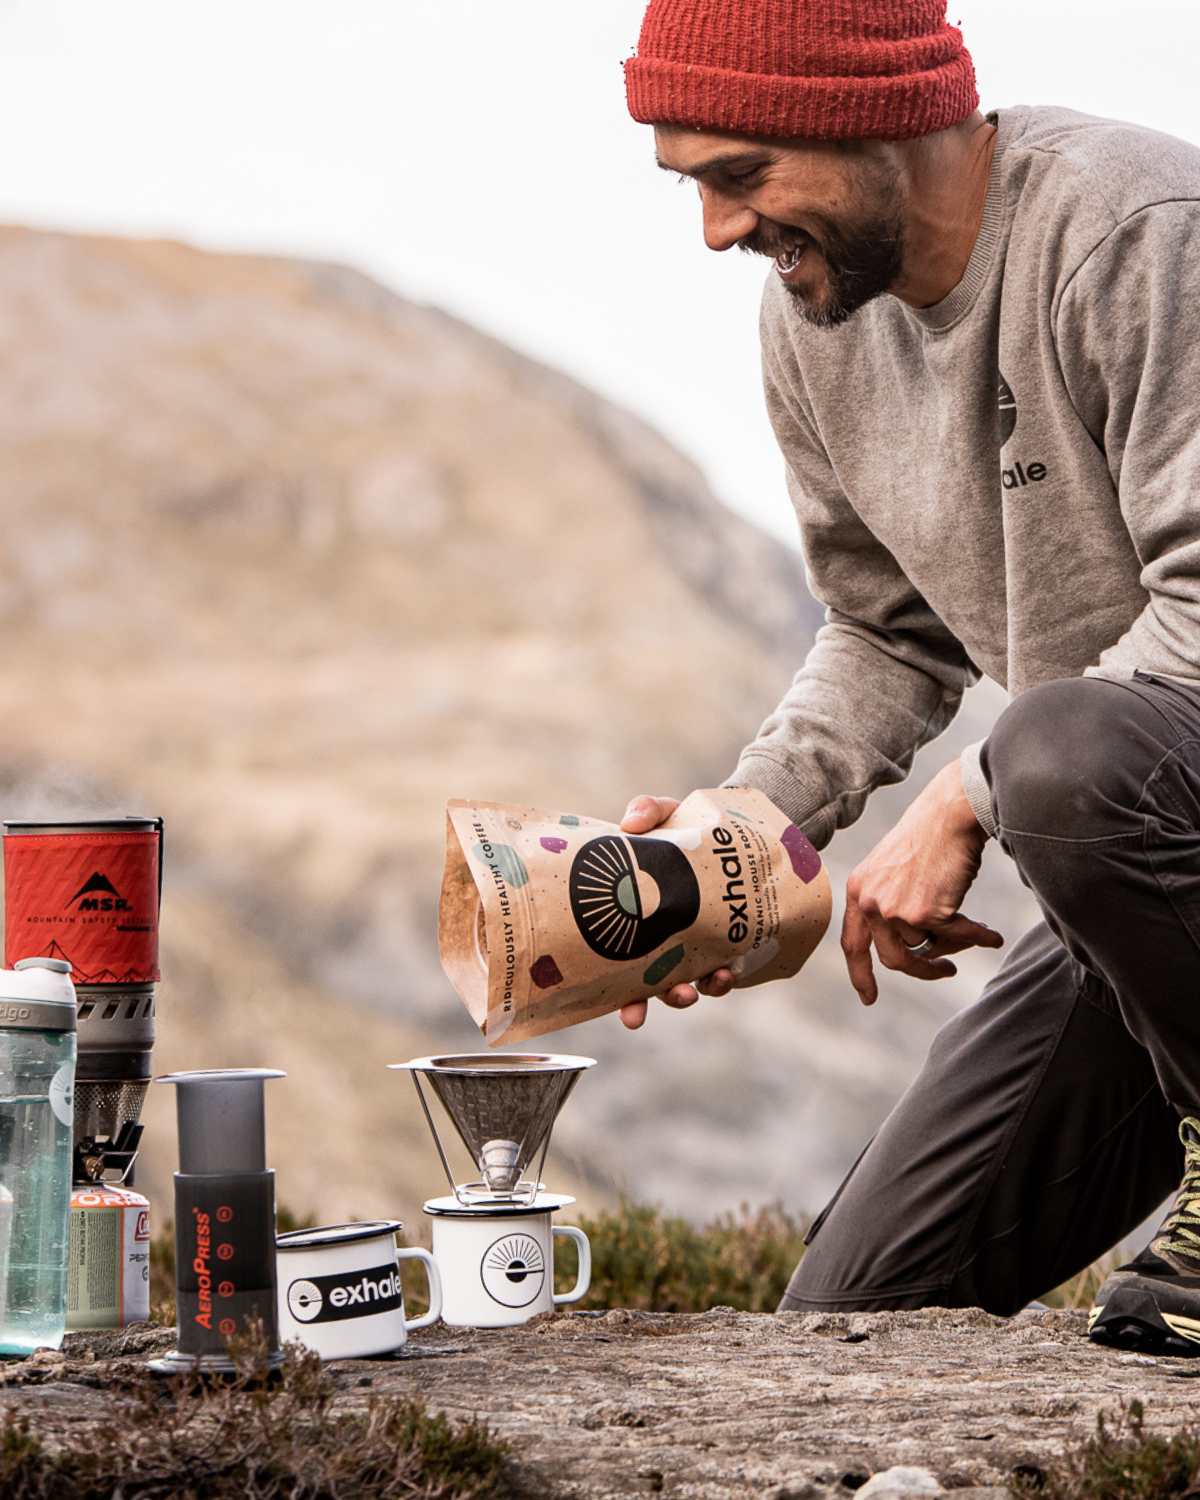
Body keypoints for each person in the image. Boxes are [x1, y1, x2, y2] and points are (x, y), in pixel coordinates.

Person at [615, 0, 1200, 1356]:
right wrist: (738, 840)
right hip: (1153, 890)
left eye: (738, 176)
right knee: (853, 1322)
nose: (714, 230)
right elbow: (884, 629)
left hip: (1129, 802)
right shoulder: (815, 322)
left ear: (861, 115)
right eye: (690, 182)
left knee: (1058, 762)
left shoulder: (1137, 232)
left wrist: (971, 795)